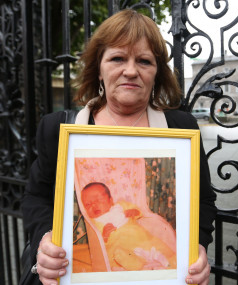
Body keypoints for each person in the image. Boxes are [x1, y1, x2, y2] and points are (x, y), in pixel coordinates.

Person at [21, 9, 216, 285]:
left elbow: (203, 201)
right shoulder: (58, 129)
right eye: (117, 58)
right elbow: (36, 197)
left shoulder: (181, 129)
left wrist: (195, 245)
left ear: (156, 72)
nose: (131, 71)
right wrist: (44, 240)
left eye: (144, 61)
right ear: (99, 69)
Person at [78, 182, 177, 271]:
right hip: (120, 247)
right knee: (119, 255)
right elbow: (96, 244)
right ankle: (137, 266)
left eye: (98, 200)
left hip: (141, 239)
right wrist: (104, 236)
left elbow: (138, 211)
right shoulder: (94, 222)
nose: (94, 205)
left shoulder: (120, 206)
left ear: (111, 200)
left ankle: (172, 261)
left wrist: (134, 212)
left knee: (156, 245)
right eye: (88, 204)